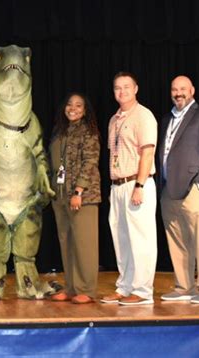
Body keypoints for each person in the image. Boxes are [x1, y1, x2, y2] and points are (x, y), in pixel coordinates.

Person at [159, 76, 199, 304]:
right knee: (177, 241)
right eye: (174, 89)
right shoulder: (167, 119)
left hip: (194, 189)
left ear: (192, 90)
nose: (178, 93)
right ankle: (184, 286)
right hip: (169, 190)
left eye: (183, 89)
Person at [101, 72, 158, 306]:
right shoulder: (114, 120)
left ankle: (143, 291)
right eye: (117, 88)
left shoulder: (143, 116)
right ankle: (125, 287)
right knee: (121, 239)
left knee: (141, 239)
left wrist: (139, 185)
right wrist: (115, 187)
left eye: (126, 87)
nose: (121, 91)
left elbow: (147, 152)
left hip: (137, 183)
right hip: (118, 186)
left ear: (136, 88)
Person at [49, 92, 101, 304]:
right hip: (60, 196)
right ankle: (71, 287)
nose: (73, 108)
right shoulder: (60, 131)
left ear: (85, 110)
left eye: (79, 105)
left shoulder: (88, 131)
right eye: (69, 104)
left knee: (84, 244)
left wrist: (79, 191)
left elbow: (90, 162)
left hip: (82, 196)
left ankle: (87, 290)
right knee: (67, 243)